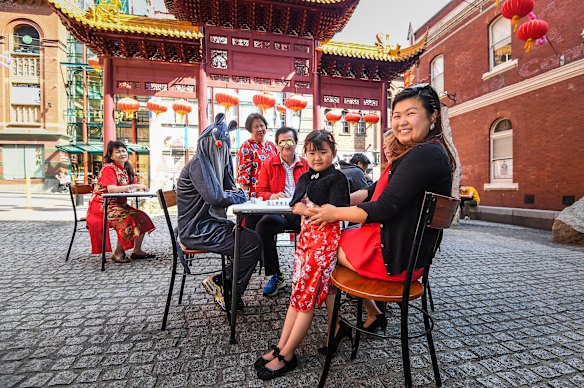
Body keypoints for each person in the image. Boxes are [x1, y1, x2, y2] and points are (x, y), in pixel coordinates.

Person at [308, 84, 455, 336]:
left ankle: (335, 325)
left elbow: (383, 207)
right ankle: (372, 313)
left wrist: (334, 213)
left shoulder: (424, 154)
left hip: (393, 260)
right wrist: (338, 204)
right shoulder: (422, 153)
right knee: (326, 245)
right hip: (403, 253)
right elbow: (371, 191)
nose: (401, 122)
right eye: (397, 116)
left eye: (411, 113)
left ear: (433, 117)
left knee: (319, 246)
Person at [255, 130, 350, 380]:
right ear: (305, 153)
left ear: (333, 153)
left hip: (323, 245)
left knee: (305, 297)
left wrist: (306, 210)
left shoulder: (337, 178)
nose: (317, 157)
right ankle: (282, 345)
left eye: (323, 152)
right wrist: (308, 209)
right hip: (306, 243)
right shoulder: (305, 176)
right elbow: (295, 205)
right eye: (312, 152)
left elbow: (334, 211)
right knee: (298, 293)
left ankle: (288, 353)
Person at [176, 114, 261, 311]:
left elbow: (229, 189)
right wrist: (239, 195)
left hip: (210, 226)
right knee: (250, 243)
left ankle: (224, 285)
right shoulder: (198, 164)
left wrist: (235, 191)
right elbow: (216, 197)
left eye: (224, 146)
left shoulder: (215, 166)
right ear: (207, 143)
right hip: (197, 230)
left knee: (250, 239)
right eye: (218, 145)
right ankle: (227, 288)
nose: (220, 151)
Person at [255, 126, 309, 297]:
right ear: (277, 145)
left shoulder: (307, 164)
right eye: (282, 142)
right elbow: (259, 191)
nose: (286, 145)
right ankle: (276, 274)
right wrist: (272, 196)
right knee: (263, 226)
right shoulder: (269, 164)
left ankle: (308, 276)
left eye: (290, 141)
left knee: (316, 228)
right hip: (280, 213)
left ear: (296, 143)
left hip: (302, 212)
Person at [86, 141, 156, 263]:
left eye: (123, 151)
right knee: (126, 218)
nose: (122, 154)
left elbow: (132, 185)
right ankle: (118, 253)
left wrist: (140, 187)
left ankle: (137, 250)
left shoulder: (126, 168)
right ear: (111, 156)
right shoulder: (109, 168)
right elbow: (111, 189)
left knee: (141, 216)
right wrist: (134, 186)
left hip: (118, 205)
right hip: (103, 206)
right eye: (118, 152)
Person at [236, 113, 278, 200]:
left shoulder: (271, 146)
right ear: (250, 129)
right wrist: (245, 198)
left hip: (272, 192)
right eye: (256, 127)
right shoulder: (246, 146)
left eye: (262, 125)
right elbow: (243, 175)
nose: (260, 129)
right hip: (255, 195)